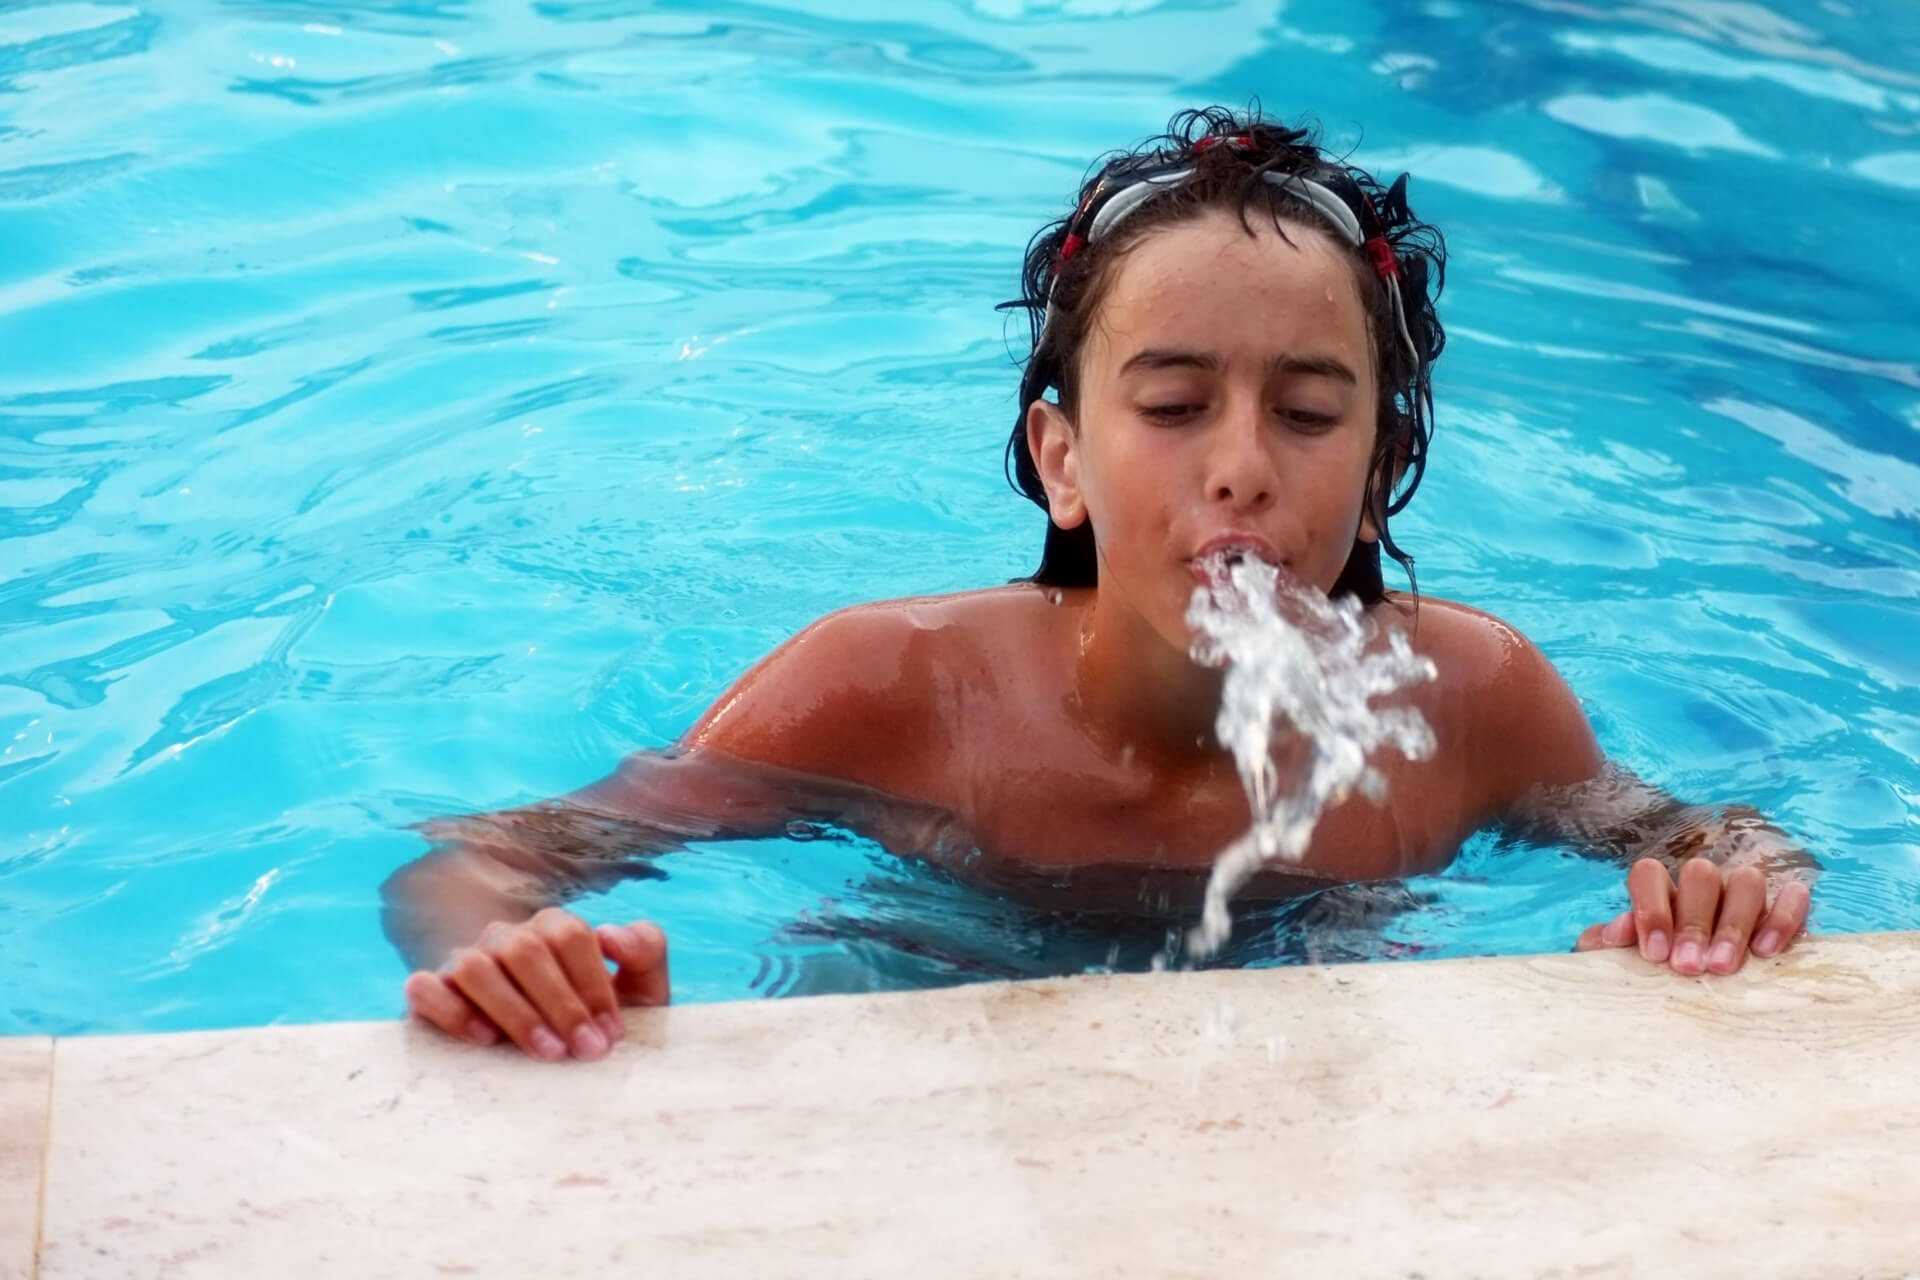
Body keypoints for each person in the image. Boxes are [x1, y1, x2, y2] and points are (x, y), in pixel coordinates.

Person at [384, 106, 1817, 1063]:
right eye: (1176, 405)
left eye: (1311, 417)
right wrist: (526, 958)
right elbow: (487, 859)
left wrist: (1729, 893)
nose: (1243, 467)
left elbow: (1714, 839)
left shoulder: (1474, 701)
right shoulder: (892, 690)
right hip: (928, 1025)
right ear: (1062, 461)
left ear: (1381, 473)